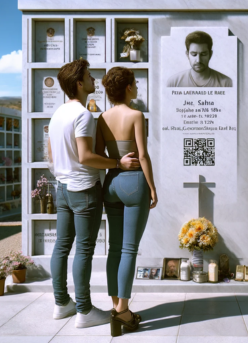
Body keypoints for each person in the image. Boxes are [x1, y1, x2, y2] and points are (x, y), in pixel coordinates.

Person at [47, 58, 140, 329]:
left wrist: (64, 173)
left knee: (62, 246)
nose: (93, 79)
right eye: (88, 76)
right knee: (84, 251)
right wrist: (117, 163)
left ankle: (61, 303)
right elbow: (87, 156)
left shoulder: (58, 114)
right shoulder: (83, 115)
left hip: (61, 188)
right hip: (84, 189)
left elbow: (52, 156)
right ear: (78, 83)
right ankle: (84, 310)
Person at [96, 66, 158, 336]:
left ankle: (117, 306)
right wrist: (153, 188)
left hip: (111, 182)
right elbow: (142, 156)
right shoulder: (136, 114)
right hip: (134, 183)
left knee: (115, 248)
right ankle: (123, 312)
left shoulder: (102, 117)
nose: (136, 87)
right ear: (128, 87)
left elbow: (100, 154)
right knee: (130, 250)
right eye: (134, 83)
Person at [167, 31, 232, 87]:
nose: (198, 60)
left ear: (210, 54)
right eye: (194, 54)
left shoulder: (226, 83)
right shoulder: (173, 82)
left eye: (203, 54)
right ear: (187, 54)